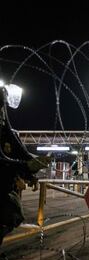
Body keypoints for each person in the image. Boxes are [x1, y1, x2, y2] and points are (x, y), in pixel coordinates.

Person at [0, 86, 50, 246]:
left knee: (12, 216)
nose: (2, 111)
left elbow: (16, 149)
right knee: (8, 215)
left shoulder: (4, 125)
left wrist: (31, 171)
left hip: (4, 185)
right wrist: (27, 166)